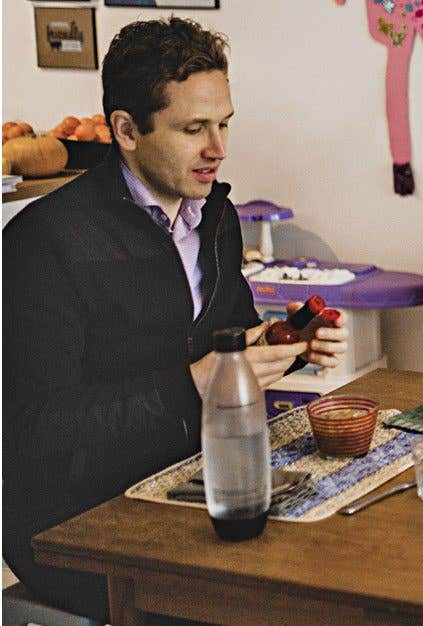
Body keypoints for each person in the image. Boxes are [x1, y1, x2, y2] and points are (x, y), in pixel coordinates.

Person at [2, 18, 349, 621]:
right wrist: (194, 382)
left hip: (191, 491)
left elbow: (223, 342)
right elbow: (33, 436)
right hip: (81, 530)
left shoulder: (216, 215)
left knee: (345, 568)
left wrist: (281, 339)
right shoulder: (43, 244)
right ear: (126, 130)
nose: (219, 148)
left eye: (223, 124)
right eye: (194, 129)